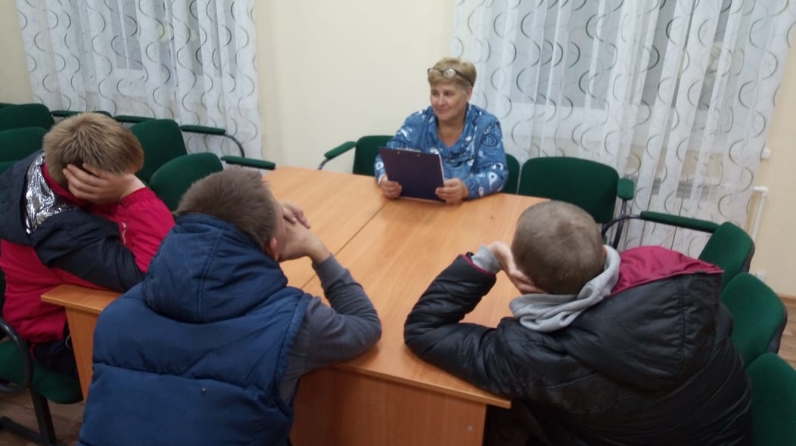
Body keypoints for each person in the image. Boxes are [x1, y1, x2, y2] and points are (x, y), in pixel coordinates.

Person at [76, 167, 382, 446]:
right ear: (273, 248)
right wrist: (318, 250)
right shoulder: (292, 324)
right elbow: (365, 324)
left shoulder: (118, 314)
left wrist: (265, 219)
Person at [404, 201, 752, 445]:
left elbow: (423, 329)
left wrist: (489, 258)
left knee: (502, 408)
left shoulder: (534, 353)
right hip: (724, 431)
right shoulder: (668, 275)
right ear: (602, 251)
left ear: (522, 278)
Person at [0, 113, 174, 378]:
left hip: (99, 300)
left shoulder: (59, 162)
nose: (133, 179)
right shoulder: (58, 233)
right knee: (179, 358)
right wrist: (134, 192)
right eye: (125, 177)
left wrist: (126, 188)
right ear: (88, 180)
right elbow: (156, 273)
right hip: (58, 331)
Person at [376, 57, 508, 204]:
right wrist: (385, 179)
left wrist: (466, 188)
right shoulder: (418, 122)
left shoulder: (486, 125)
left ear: (468, 93)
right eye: (435, 93)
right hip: (422, 208)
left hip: (467, 209)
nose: (439, 102)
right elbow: (384, 158)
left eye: (448, 94)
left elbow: (498, 173)